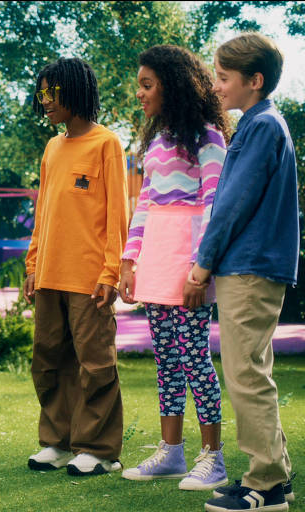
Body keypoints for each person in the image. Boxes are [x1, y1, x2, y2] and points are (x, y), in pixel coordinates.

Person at [187, 33, 298, 512]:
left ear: (255, 81)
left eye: (223, 77)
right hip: (252, 265)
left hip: (249, 266)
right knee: (251, 370)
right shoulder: (261, 124)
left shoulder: (261, 127)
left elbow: (232, 204)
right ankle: (275, 475)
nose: (216, 86)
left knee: (245, 374)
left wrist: (202, 264)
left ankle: (266, 484)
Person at [117, 45, 230, 491]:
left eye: (147, 85)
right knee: (166, 360)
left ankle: (213, 458)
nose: (140, 94)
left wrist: (199, 268)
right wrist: (129, 261)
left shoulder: (208, 137)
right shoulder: (158, 140)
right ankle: (171, 453)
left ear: (173, 85)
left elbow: (214, 204)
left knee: (194, 358)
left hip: (189, 263)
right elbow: (143, 204)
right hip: (156, 261)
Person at [23, 57, 129, 476]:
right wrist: (33, 264)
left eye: (52, 92)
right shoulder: (53, 148)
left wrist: (111, 273)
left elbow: (118, 215)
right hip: (49, 274)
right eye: (41, 93)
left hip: (89, 278)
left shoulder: (107, 144)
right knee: (48, 361)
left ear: (76, 91)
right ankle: (56, 442)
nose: (45, 101)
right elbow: (43, 211)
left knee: (95, 363)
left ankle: (100, 450)